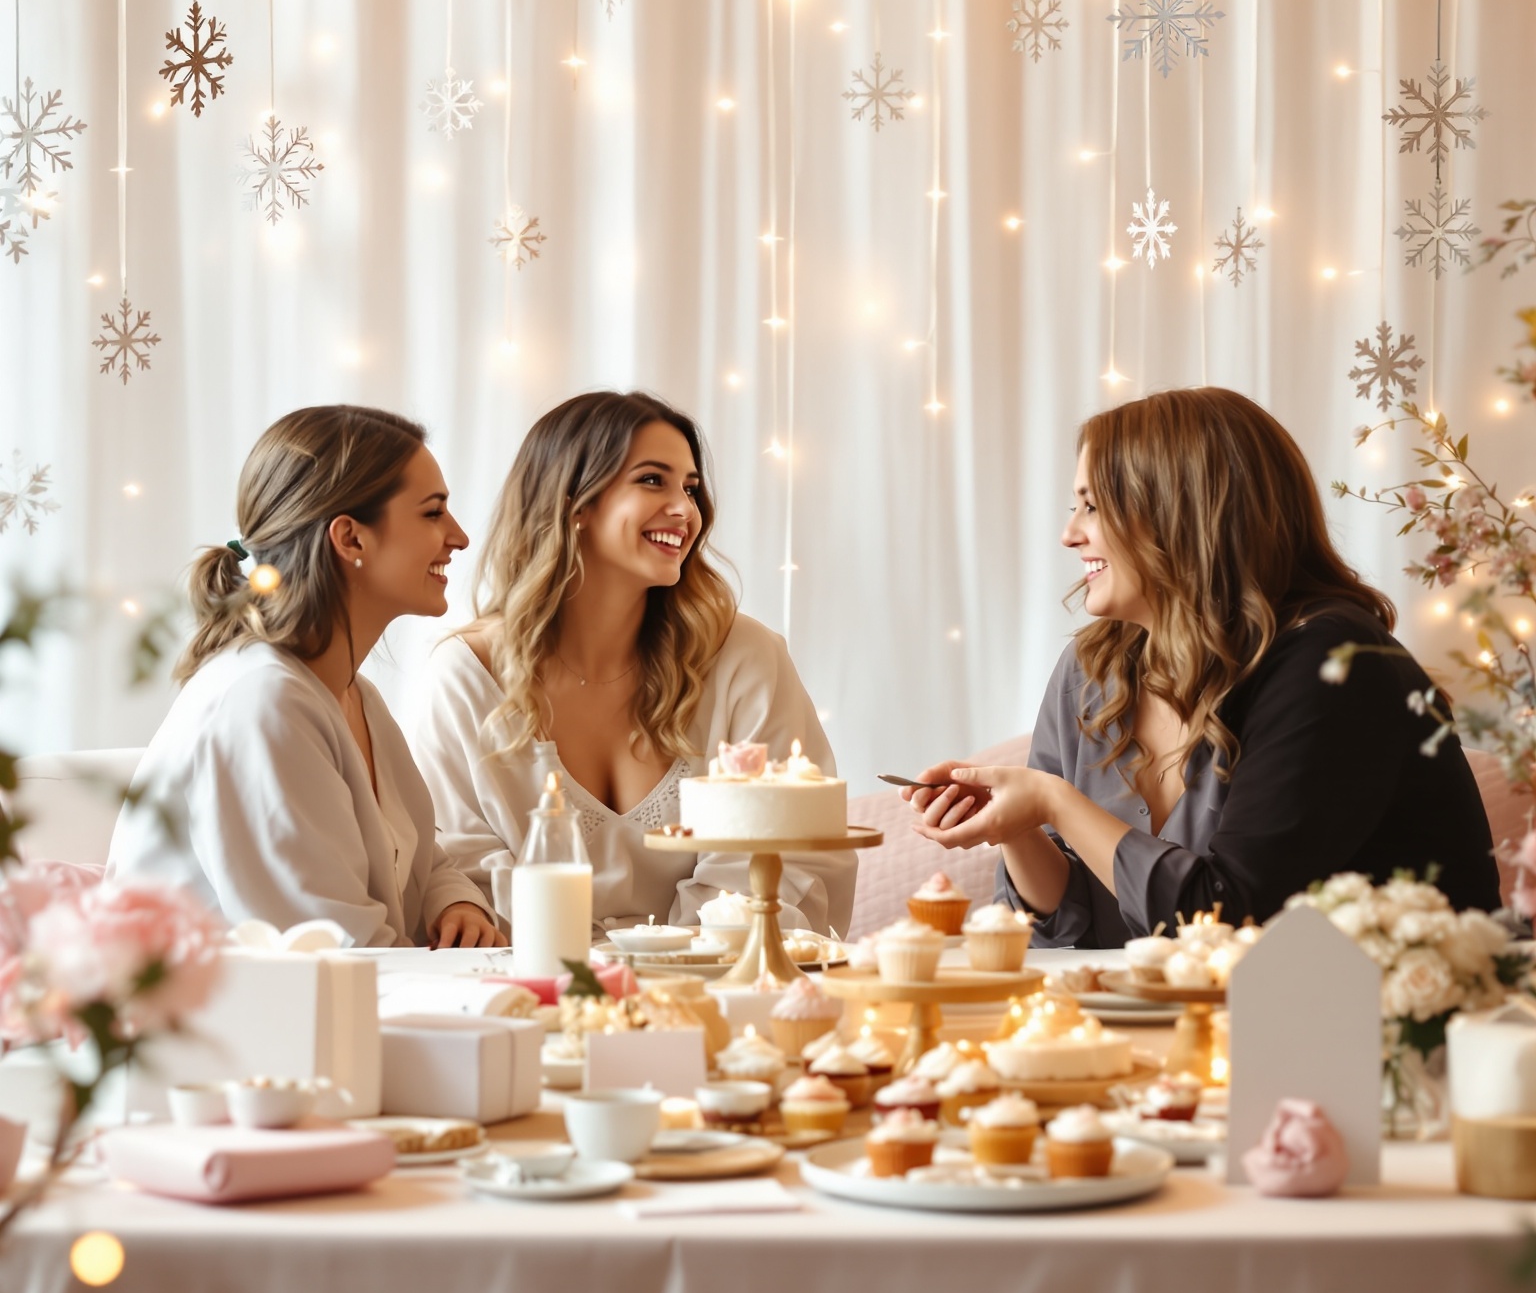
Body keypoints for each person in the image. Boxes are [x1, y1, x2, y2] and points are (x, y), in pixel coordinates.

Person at [909, 386, 1499, 945]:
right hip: (1175, 1028)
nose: (1069, 535)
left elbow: (1231, 919)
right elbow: (1070, 927)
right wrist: (1017, 827)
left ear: (1178, 512)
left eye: (1092, 506)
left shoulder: (1335, 665)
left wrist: (1055, 801)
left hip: (1363, 1030)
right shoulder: (1092, 669)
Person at [412, 390, 855, 934]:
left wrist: (659, 976)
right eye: (653, 480)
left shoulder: (746, 659)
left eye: (690, 488)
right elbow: (460, 875)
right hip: (532, 993)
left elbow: (781, 861)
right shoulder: (467, 676)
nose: (685, 510)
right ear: (575, 502)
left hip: (712, 996)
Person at [108, 407, 498, 949]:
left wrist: (453, 900)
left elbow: (418, 856)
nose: (459, 537)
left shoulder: (355, 696)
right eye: (433, 514)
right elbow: (332, 952)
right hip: (232, 1024)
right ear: (351, 539)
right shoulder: (262, 704)